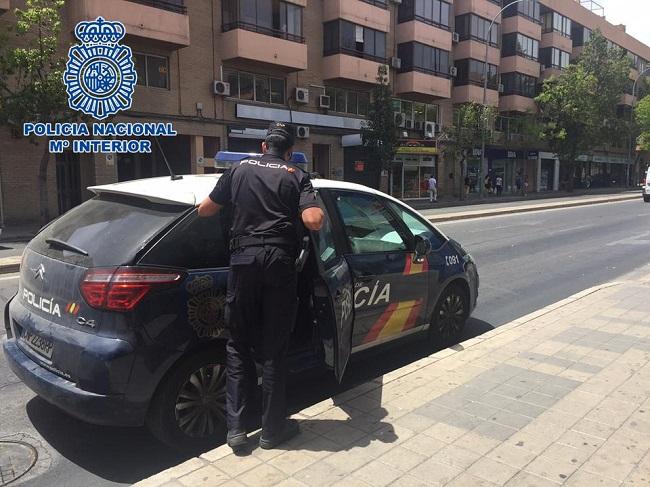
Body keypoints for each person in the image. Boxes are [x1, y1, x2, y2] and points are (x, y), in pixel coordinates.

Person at [197, 122, 324, 451]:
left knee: (237, 345)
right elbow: (313, 222)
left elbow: (205, 210)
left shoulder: (239, 169)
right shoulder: (296, 174)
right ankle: (271, 431)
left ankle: (236, 431)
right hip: (279, 265)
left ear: (263, 145)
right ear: (290, 151)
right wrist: (305, 205)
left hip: (243, 262)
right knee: (273, 350)